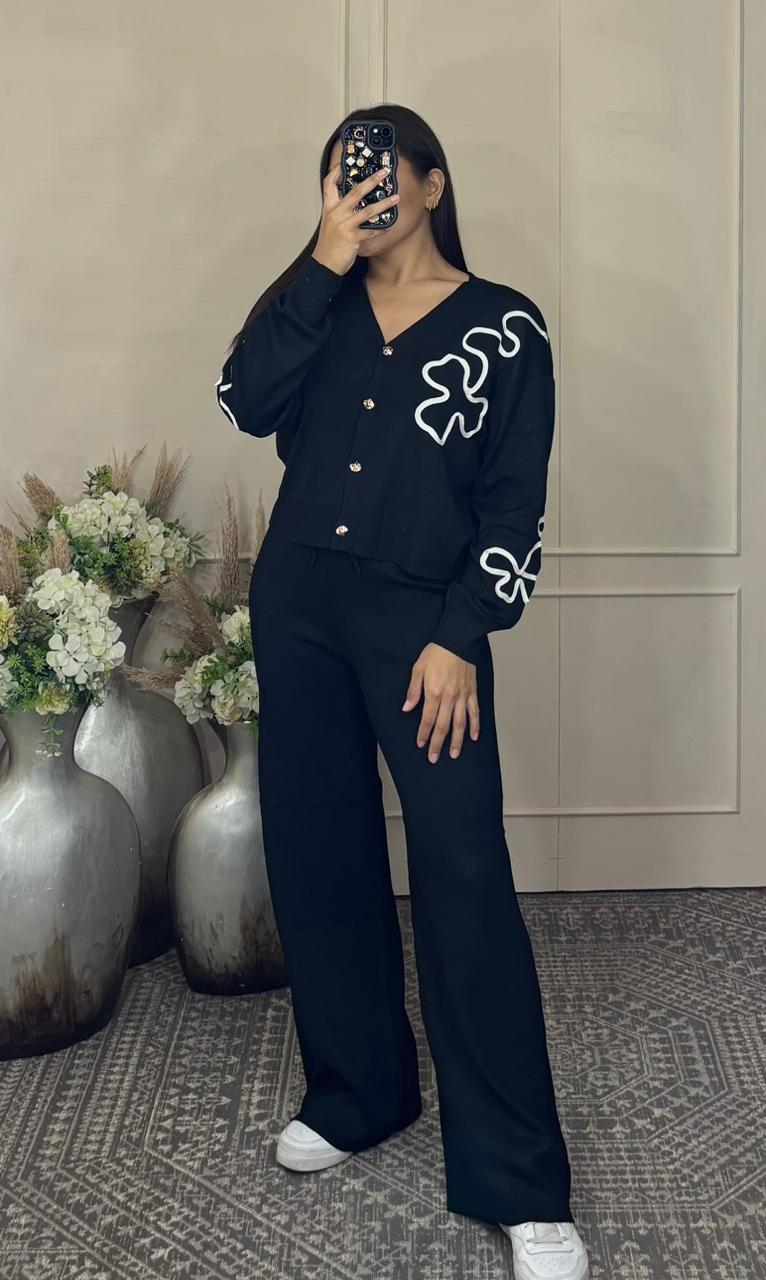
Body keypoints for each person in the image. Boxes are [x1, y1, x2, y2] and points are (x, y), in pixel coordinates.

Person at [216, 104, 589, 1280]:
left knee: (462, 873)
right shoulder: (314, 304)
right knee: (318, 851)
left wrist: (461, 633)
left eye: (378, 177)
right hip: (300, 606)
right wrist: (324, 255)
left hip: (424, 625)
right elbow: (241, 398)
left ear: (430, 183)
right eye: (341, 181)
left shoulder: (505, 327)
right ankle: (359, 1090)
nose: (362, 195)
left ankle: (520, 1180)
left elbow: (513, 505)